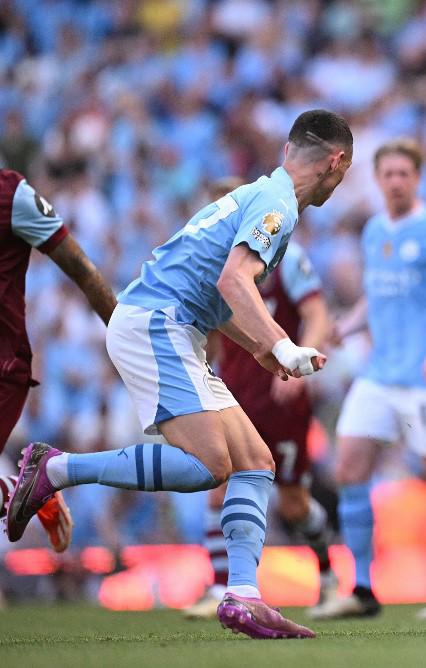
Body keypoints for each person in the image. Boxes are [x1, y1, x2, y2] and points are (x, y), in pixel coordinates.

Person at [5, 109, 353, 639]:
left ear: (287, 151)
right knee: (208, 466)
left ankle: (241, 594)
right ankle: (54, 469)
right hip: (158, 323)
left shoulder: (265, 193)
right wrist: (282, 345)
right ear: (338, 161)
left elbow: (221, 290)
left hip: (174, 326)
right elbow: (237, 282)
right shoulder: (278, 204)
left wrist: (259, 346)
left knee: (254, 461)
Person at [313, 138, 426, 621]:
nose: (397, 181)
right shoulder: (373, 232)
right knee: (349, 469)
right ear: (378, 178)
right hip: (379, 374)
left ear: (417, 179)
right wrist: (346, 326)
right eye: (389, 174)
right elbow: (376, 296)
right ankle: (361, 589)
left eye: (405, 173)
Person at [182, 178, 335, 620]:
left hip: (281, 394)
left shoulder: (282, 255)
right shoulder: (215, 267)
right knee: (218, 484)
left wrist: (301, 368)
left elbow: (317, 313)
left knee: (294, 503)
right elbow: (212, 332)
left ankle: (327, 574)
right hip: (235, 391)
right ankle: (217, 587)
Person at [0, 169, 117, 553]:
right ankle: (33, 490)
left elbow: (81, 269)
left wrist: (121, 338)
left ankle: (35, 489)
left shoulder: (13, 195)